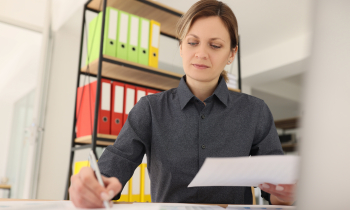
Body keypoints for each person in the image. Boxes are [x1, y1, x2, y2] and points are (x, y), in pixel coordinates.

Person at [69, 0, 296, 208]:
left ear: (231, 54)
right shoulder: (149, 109)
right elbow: (116, 164)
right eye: (192, 42)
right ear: (181, 47)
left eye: (215, 45)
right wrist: (94, 186)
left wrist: (287, 193)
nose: (201, 53)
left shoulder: (255, 111)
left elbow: (276, 191)